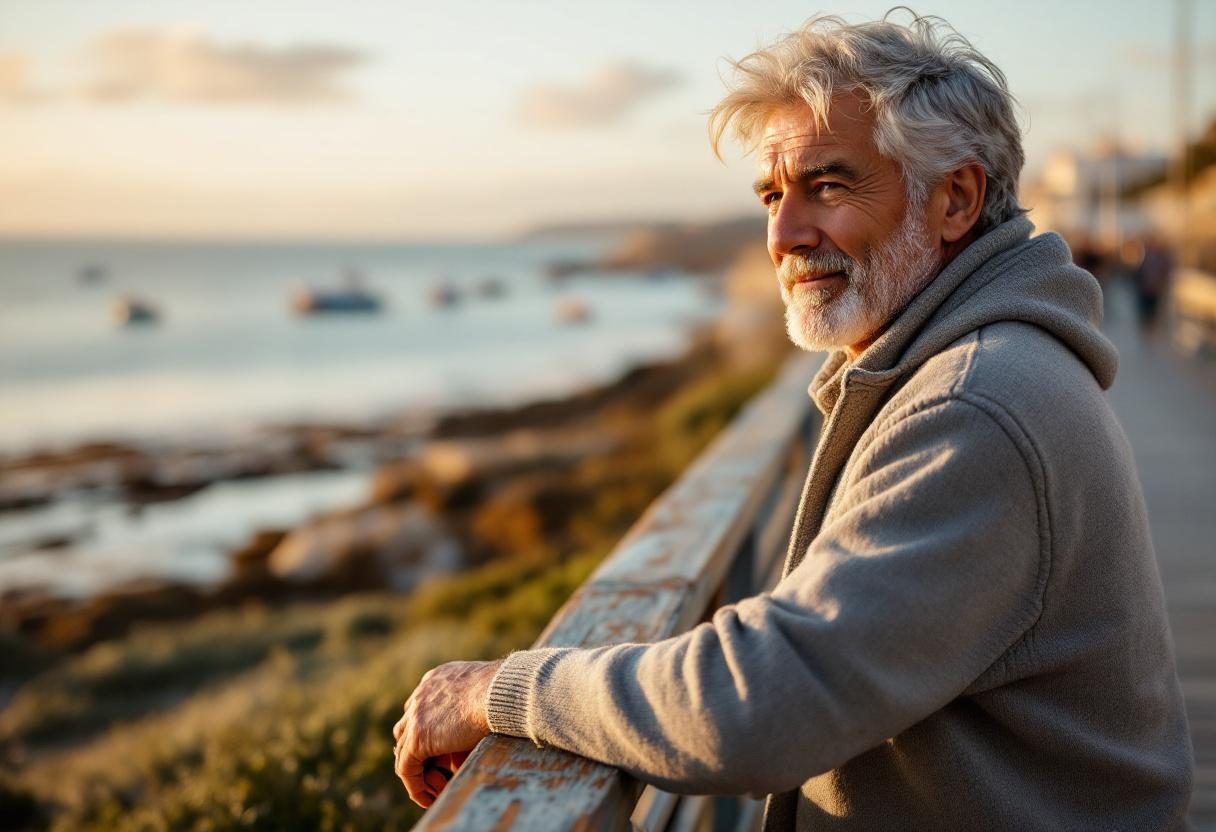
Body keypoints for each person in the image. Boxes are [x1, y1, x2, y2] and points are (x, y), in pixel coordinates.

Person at [393, 13, 1194, 830]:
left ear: (955, 200)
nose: (783, 233)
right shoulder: (958, 366)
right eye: (773, 195)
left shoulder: (977, 404)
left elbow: (759, 703)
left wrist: (506, 691)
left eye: (829, 185)